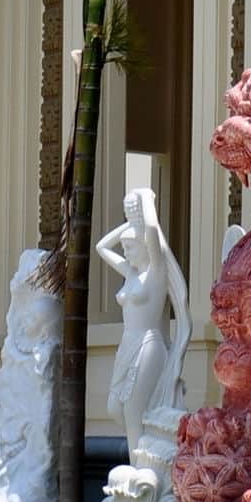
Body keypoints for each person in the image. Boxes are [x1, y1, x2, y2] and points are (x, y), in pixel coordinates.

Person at [96, 186, 188, 447]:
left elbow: (150, 230)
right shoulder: (131, 273)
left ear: (145, 247)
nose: (125, 252)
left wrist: (147, 203)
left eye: (129, 246)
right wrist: (129, 224)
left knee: (133, 412)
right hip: (127, 345)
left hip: (148, 345)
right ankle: (146, 452)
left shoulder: (156, 275)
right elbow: (101, 247)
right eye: (124, 246)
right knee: (115, 408)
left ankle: (139, 469)